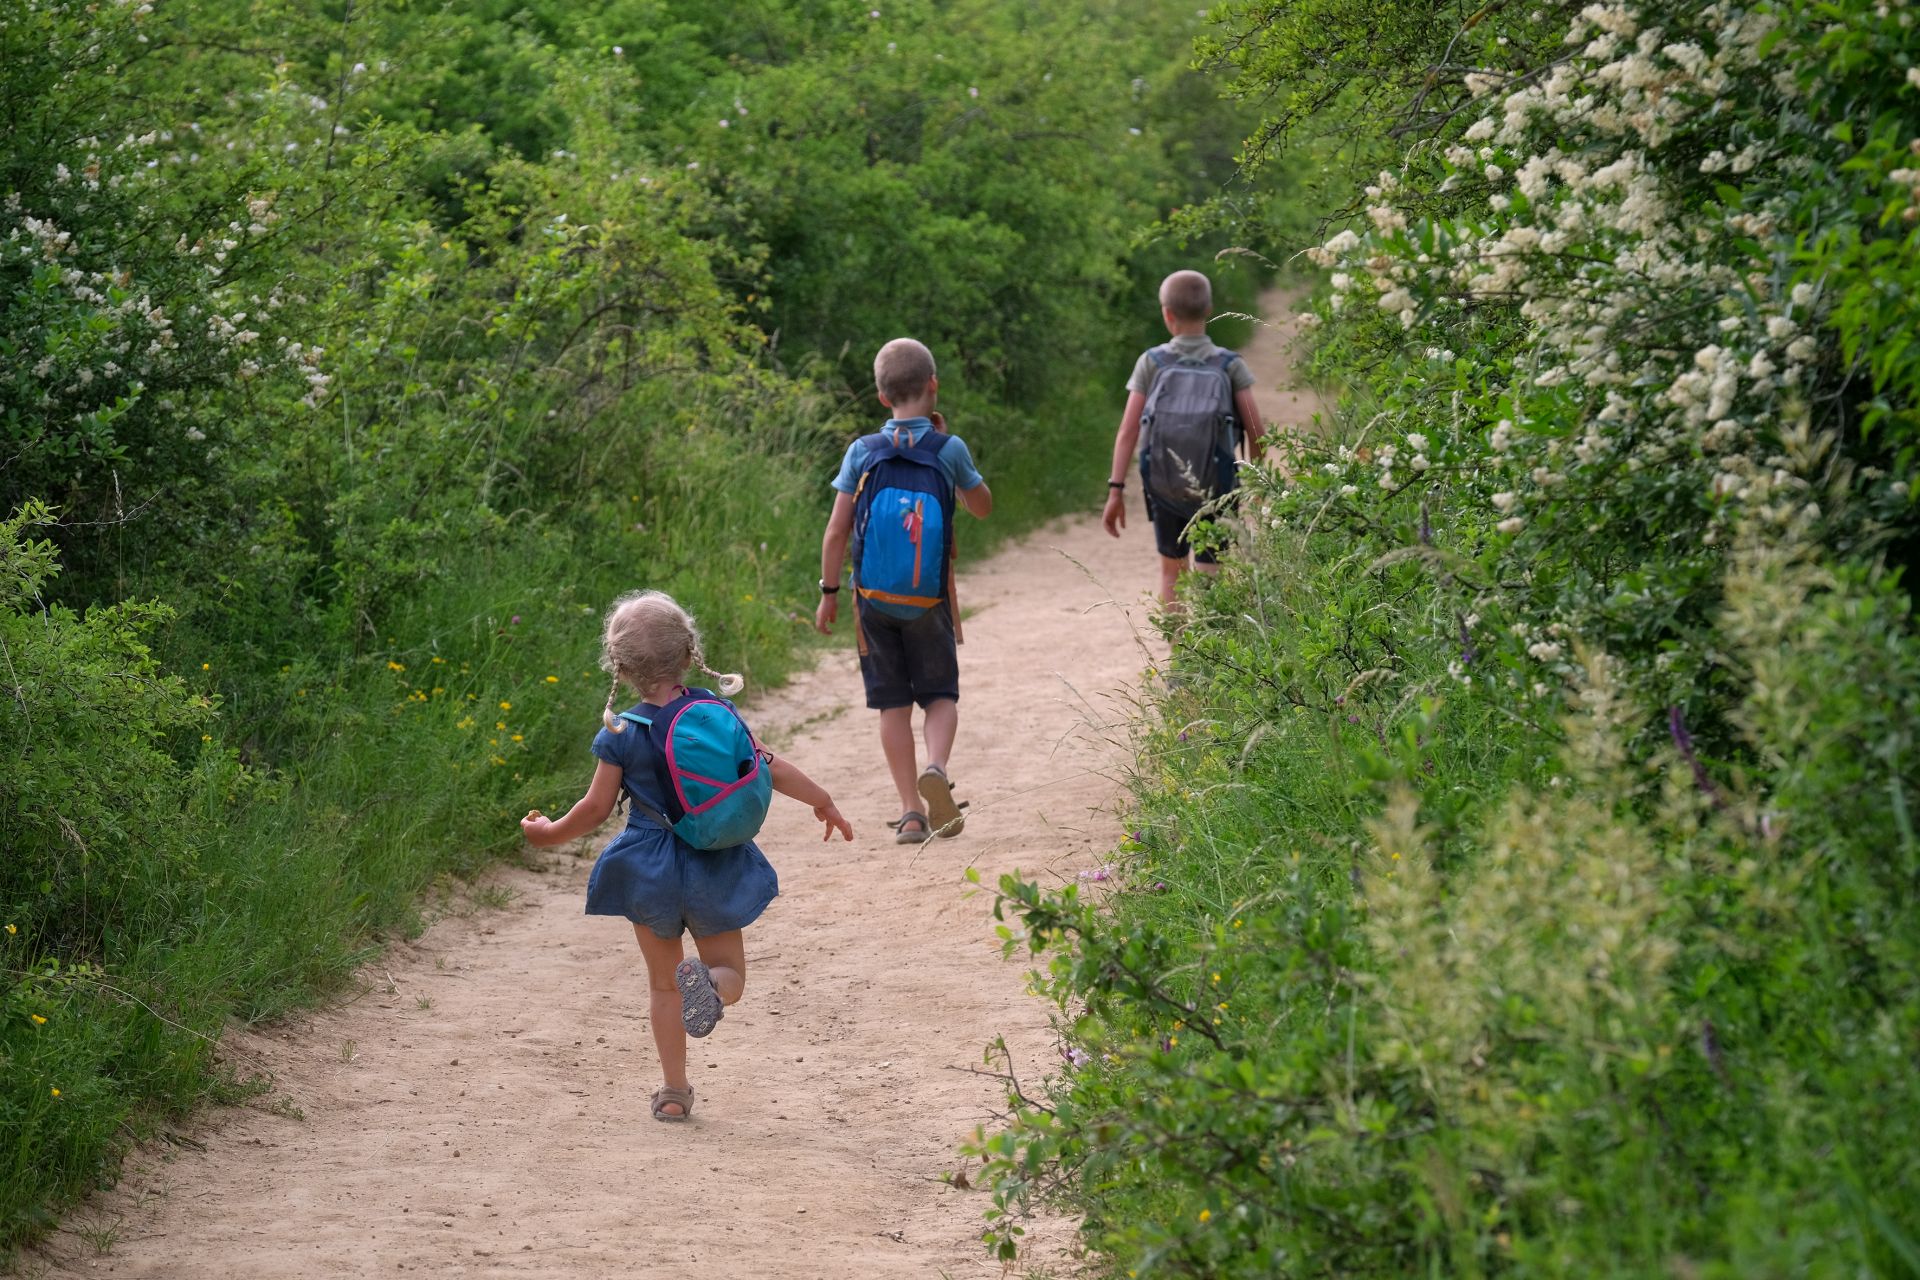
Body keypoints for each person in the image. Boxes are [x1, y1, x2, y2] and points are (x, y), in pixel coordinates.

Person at [520, 590, 853, 1122]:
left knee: (662, 984)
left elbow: (595, 808)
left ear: (620, 667)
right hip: (715, 863)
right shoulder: (717, 712)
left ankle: (674, 1092)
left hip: (649, 867)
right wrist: (823, 800)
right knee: (729, 971)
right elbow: (769, 766)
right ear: (688, 652)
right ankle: (711, 984)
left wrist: (549, 832)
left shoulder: (621, 732)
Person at [814, 337, 992, 845]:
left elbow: (836, 530)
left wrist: (829, 591)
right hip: (928, 600)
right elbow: (982, 507)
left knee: (892, 705)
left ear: (881, 396)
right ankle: (936, 767)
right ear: (933, 385)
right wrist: (954, 461)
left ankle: (911, 812)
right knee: (939, 695)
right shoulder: (948, 449)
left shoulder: (862, 451)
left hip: (872, 601)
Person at [1100, 269, 1265, 604]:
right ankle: (1210, 637)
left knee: (1171, 573)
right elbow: (1256, 431)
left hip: (1164, 484)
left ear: (1167, 314)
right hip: (1217, 486)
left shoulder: (1151, 363)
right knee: (1211, 571)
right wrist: (1259, 487)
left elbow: (1128, 430)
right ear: (1209, 310)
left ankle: (1176, 640)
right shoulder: (1229, 365)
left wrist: (1116, 489)